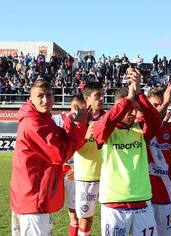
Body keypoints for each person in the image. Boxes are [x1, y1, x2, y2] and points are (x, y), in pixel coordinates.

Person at [10, 79, 88, 235]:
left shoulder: (41, 118)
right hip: (34, 200)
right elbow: (60, 154)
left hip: (30, 198)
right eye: (40, 96)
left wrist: (72, 124)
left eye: (49, 95)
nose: (45, 100)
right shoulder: (34, 123)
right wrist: (79, 127)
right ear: (30, 98)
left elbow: (62, 138)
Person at [93, 68, 161, 235]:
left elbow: (156, 121)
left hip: (142, 201)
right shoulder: (106, 131)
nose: (132, 113)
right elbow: (101, 129)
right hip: (114, 203)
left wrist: (139, 93)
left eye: (135, 109)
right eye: (128, 109)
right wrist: (128, 99)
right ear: (118, 107)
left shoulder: (140, 130)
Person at [145, 82, 171, 236]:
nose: (158, 109)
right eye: (154, 105)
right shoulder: (137, 127)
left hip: (165, 196)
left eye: (162, 105)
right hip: (143, 197)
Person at [51, 94, 87, 236]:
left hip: (75, 172)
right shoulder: (56, 120)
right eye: (83, 109)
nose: (86, 113)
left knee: (75, 214)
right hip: (57, 172)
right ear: (76, 107)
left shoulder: (86, 122)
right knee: (47, 212)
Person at [73, 82, 105, 236]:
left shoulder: (107, 118)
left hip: (108, 177)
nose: (102, 98)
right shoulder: (79, 119)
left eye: (103, 94)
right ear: (87, 98)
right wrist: (84, 138)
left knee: (110, 219)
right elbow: (70, 146)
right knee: (86, 220)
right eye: (97, 95)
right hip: (86, 177)